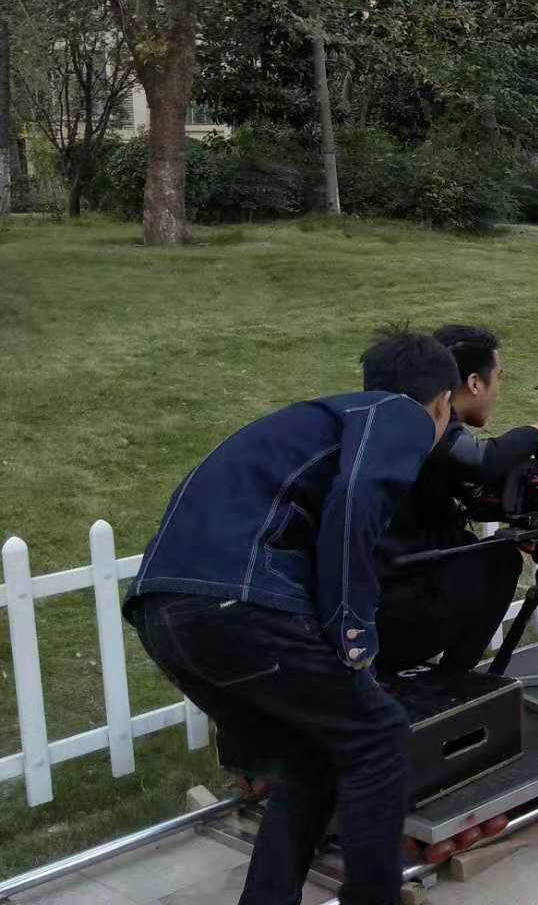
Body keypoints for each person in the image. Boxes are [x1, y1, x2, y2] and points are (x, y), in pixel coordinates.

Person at [123, 331, 458, 905]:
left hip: (163, 611)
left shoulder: (317, 421)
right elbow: (355, 503)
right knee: (378, 735)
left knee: (310, 757)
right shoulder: (400, 413)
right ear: (442, 402)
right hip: (237, 600)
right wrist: (354, 632)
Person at [377, 325, 538, 676]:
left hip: (382, 589)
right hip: (394, 600)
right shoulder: (428, 428)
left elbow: (475, 497)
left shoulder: (396, 426)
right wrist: (534, 434)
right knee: (500, 559)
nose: (498, 389)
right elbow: (482, 462)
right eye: (498, 377)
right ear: (474, 383)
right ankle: (454, 681)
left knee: (478, 547)